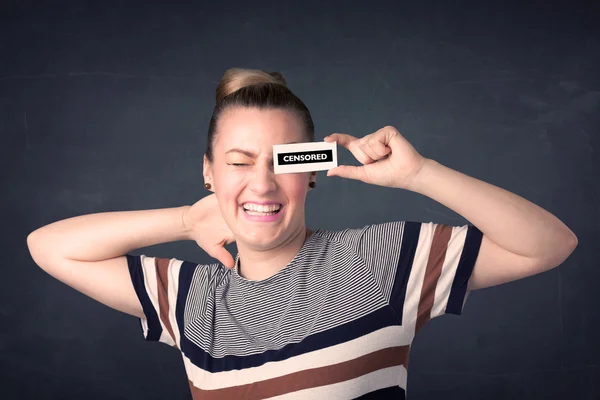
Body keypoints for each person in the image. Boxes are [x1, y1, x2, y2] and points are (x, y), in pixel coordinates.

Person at [27, 68, 578, 399]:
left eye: (283, 162)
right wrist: (183, 220)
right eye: (239, 163)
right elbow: (48, 247)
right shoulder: (190, 298)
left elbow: (550, 244)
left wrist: (419, 174)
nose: (262, 183)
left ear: (312, 171)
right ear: (208, 173)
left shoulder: (375, 262)